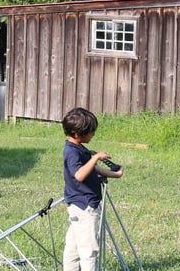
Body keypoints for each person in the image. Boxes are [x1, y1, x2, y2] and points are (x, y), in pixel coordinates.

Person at [61, 107, 123, 271]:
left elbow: (92, 168)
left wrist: (113, 174)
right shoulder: (72, 152)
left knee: (73, 249)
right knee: (89, 250)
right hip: (84, 206)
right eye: (91, 131)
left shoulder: (78, 148)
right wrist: (96, 156)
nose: (93, 134)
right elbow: (80, 175)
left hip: (78, 204)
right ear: (77, 134)